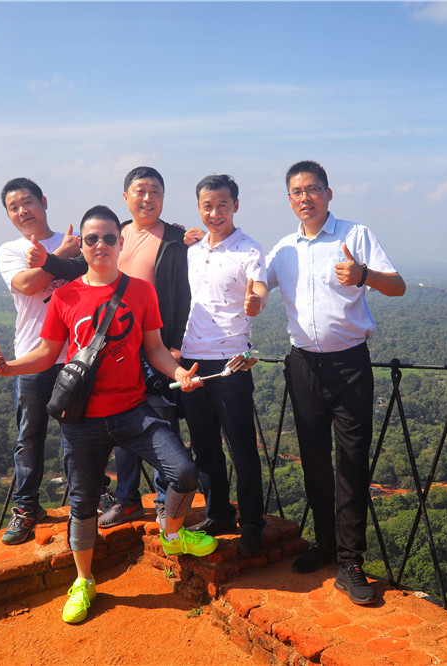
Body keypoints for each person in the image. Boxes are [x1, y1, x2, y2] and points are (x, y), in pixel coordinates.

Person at [0, 205, 217, 625]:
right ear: (83, 246)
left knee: (184, 472)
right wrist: (10, 368)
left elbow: (154, 348)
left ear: (120, 242)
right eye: (91, 239)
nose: (100, 245)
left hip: (132, 409)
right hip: (83, 418)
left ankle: (172, 533)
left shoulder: (140, 292)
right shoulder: (65, 295)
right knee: (83, 503)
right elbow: (47, 353)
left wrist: (180, 373)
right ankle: (83, 580)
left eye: (109, 238)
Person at [263, 160, 406, 605]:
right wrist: (195, 241)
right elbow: (251, 282)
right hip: (303, 366)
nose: (304, 197)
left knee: (352, 462)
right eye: (296, 191)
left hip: (349, 366)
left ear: (328, 193)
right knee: (314, 461)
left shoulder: (355, 235)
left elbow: (398, 285)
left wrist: (363, 276)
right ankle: (326, 543)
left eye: (312, 189)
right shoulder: (284, 249)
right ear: (289, 199)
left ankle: (351, 561)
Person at [27, 167, 190, 529]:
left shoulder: (176, 239)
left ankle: (164, 503)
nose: (147, 198)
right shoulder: (115, 232)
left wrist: (174, 346)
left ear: (163, 197)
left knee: (158, 424)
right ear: (126, 197)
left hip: (153, 341)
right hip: (111, 344)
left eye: (155, 191)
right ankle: (129, 500)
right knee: (121, 424)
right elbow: (77, 266)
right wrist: (47, 261)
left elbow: (183, 294)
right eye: (140, 191)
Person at [178, 174, 269, 556]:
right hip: (192, 358)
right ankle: (218, 513)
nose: (215, 213)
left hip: (231, 360)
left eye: (222, 205)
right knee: (204, 445)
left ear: (236, 206)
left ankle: (252, 523)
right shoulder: (194, 249)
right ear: (199, 207)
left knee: (241, 446)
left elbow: (259, 286)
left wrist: (256, 301)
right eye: (208, 206)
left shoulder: (249, 249)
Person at [0, 177, 80, 545]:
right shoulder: (10, 250)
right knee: (29, 437)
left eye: (27, 202)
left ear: (43, 202)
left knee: (79, 433)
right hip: (33, 355)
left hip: (75, 355)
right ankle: (26, 508)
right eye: (13, 207)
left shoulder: (78, 241)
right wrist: (61, 254)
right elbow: (28, 285)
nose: (22, 211)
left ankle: (90, 498)